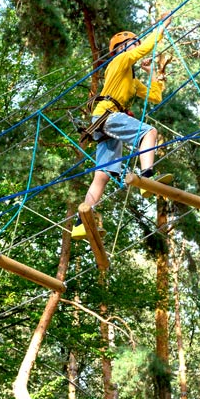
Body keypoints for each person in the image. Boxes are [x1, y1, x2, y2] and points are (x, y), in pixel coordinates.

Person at [72, 17, 171, 240]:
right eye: (133, 43)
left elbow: (155, 96)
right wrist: (161, 28)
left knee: (102, 175)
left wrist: (150, 73)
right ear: (122, 48)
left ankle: (81, 222)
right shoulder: (118, 61)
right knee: (149, 132)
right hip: (107, 115)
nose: (137, 47)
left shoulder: (130, 77)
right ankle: (147, 178)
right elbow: (144, 49)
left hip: (104, 122)